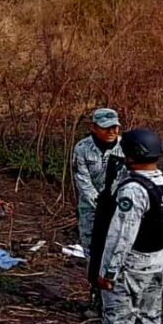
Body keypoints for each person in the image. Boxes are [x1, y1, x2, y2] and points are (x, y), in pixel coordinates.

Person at [95, 129, 163, 324]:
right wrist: (161, 253)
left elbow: (121, 235)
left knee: (117, 322)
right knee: (150, 316)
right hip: (156, 262)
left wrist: (107, 273)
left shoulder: (133, 189)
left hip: (130, 266)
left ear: (131, 155)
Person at [72, 108, 124, 252]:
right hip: (90, 208)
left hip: (119, 208)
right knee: (91, 249)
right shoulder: (82, 149)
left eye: (115, 127)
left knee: (115, 249)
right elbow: (83, 182)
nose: (111, 131)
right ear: (94, 128)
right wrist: (101, 206)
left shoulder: (126, 146)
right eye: (106, 128)